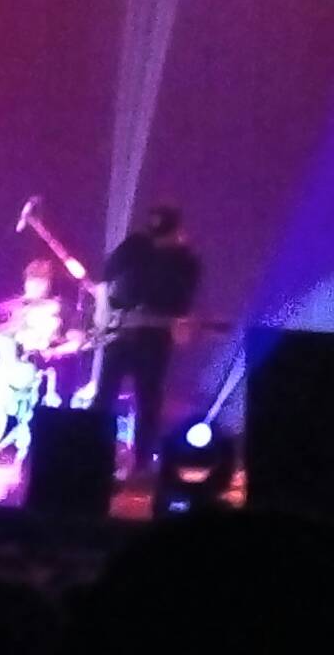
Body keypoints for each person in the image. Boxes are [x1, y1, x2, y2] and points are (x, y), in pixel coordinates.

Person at [97, 204, 201, 478]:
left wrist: (181, 324)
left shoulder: (185, 260)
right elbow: (105, 277)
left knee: (148, 398)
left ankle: (142, 463)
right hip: (121, 330)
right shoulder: (135, 245)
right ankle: (95, 453)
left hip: (154, 335)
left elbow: (184, 302)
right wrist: (103, 312)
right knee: (106, 394)